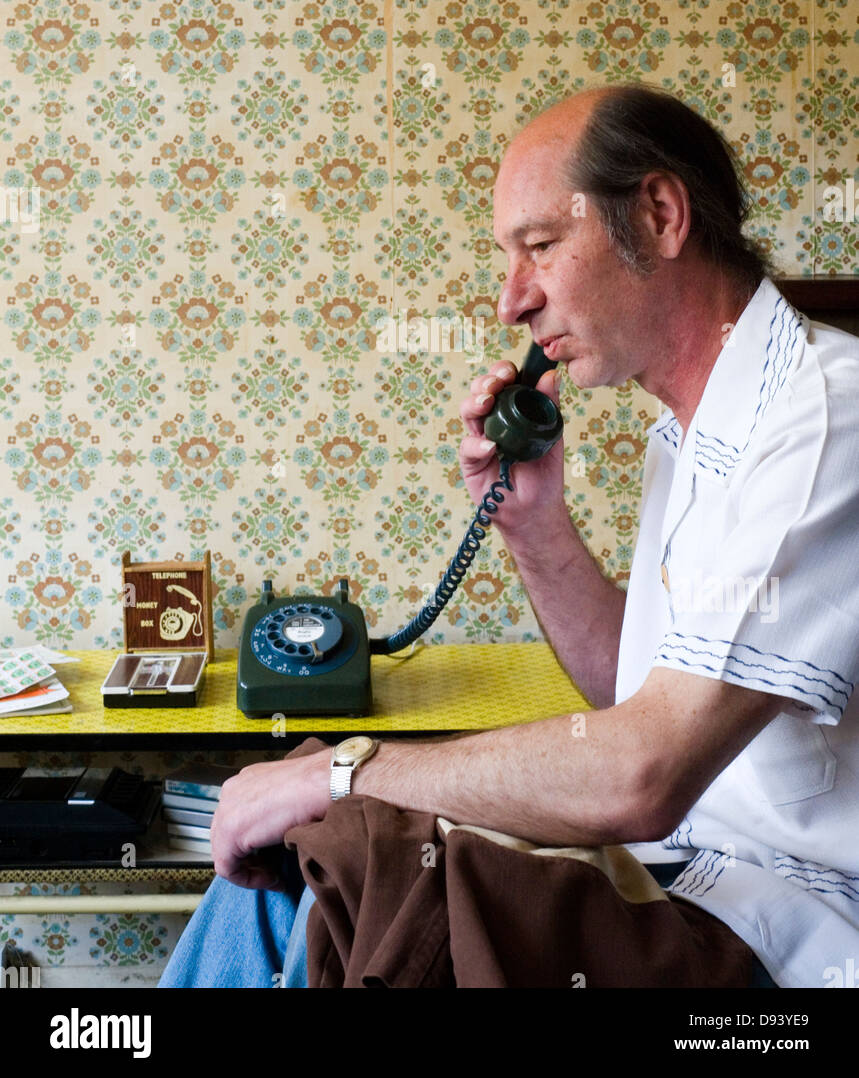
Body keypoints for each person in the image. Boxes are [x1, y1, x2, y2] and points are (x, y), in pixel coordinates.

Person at [160, 83, 859, 989]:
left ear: (657, 215)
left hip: (786, 931)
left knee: (346, 841)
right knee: (303, 864)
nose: (511, 302)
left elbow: (641, 770)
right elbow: (638, 693)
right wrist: (531, 525)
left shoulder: (821, 422)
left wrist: (347, 770)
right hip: (680, 884)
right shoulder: (691, 433)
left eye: (540, 246)